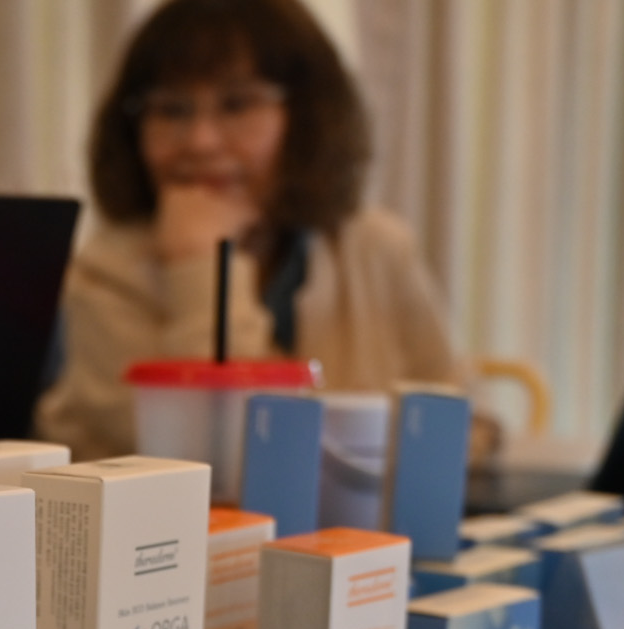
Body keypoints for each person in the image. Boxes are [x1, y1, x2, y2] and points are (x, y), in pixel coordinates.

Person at [37, 0, 463, 463]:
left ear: (308, 117)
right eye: (172, 110)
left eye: (237, 104)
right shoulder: (105, 272)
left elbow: (463, 428)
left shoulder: (376, 246)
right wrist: (200, 261)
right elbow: (232, 456)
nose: (201, 141)